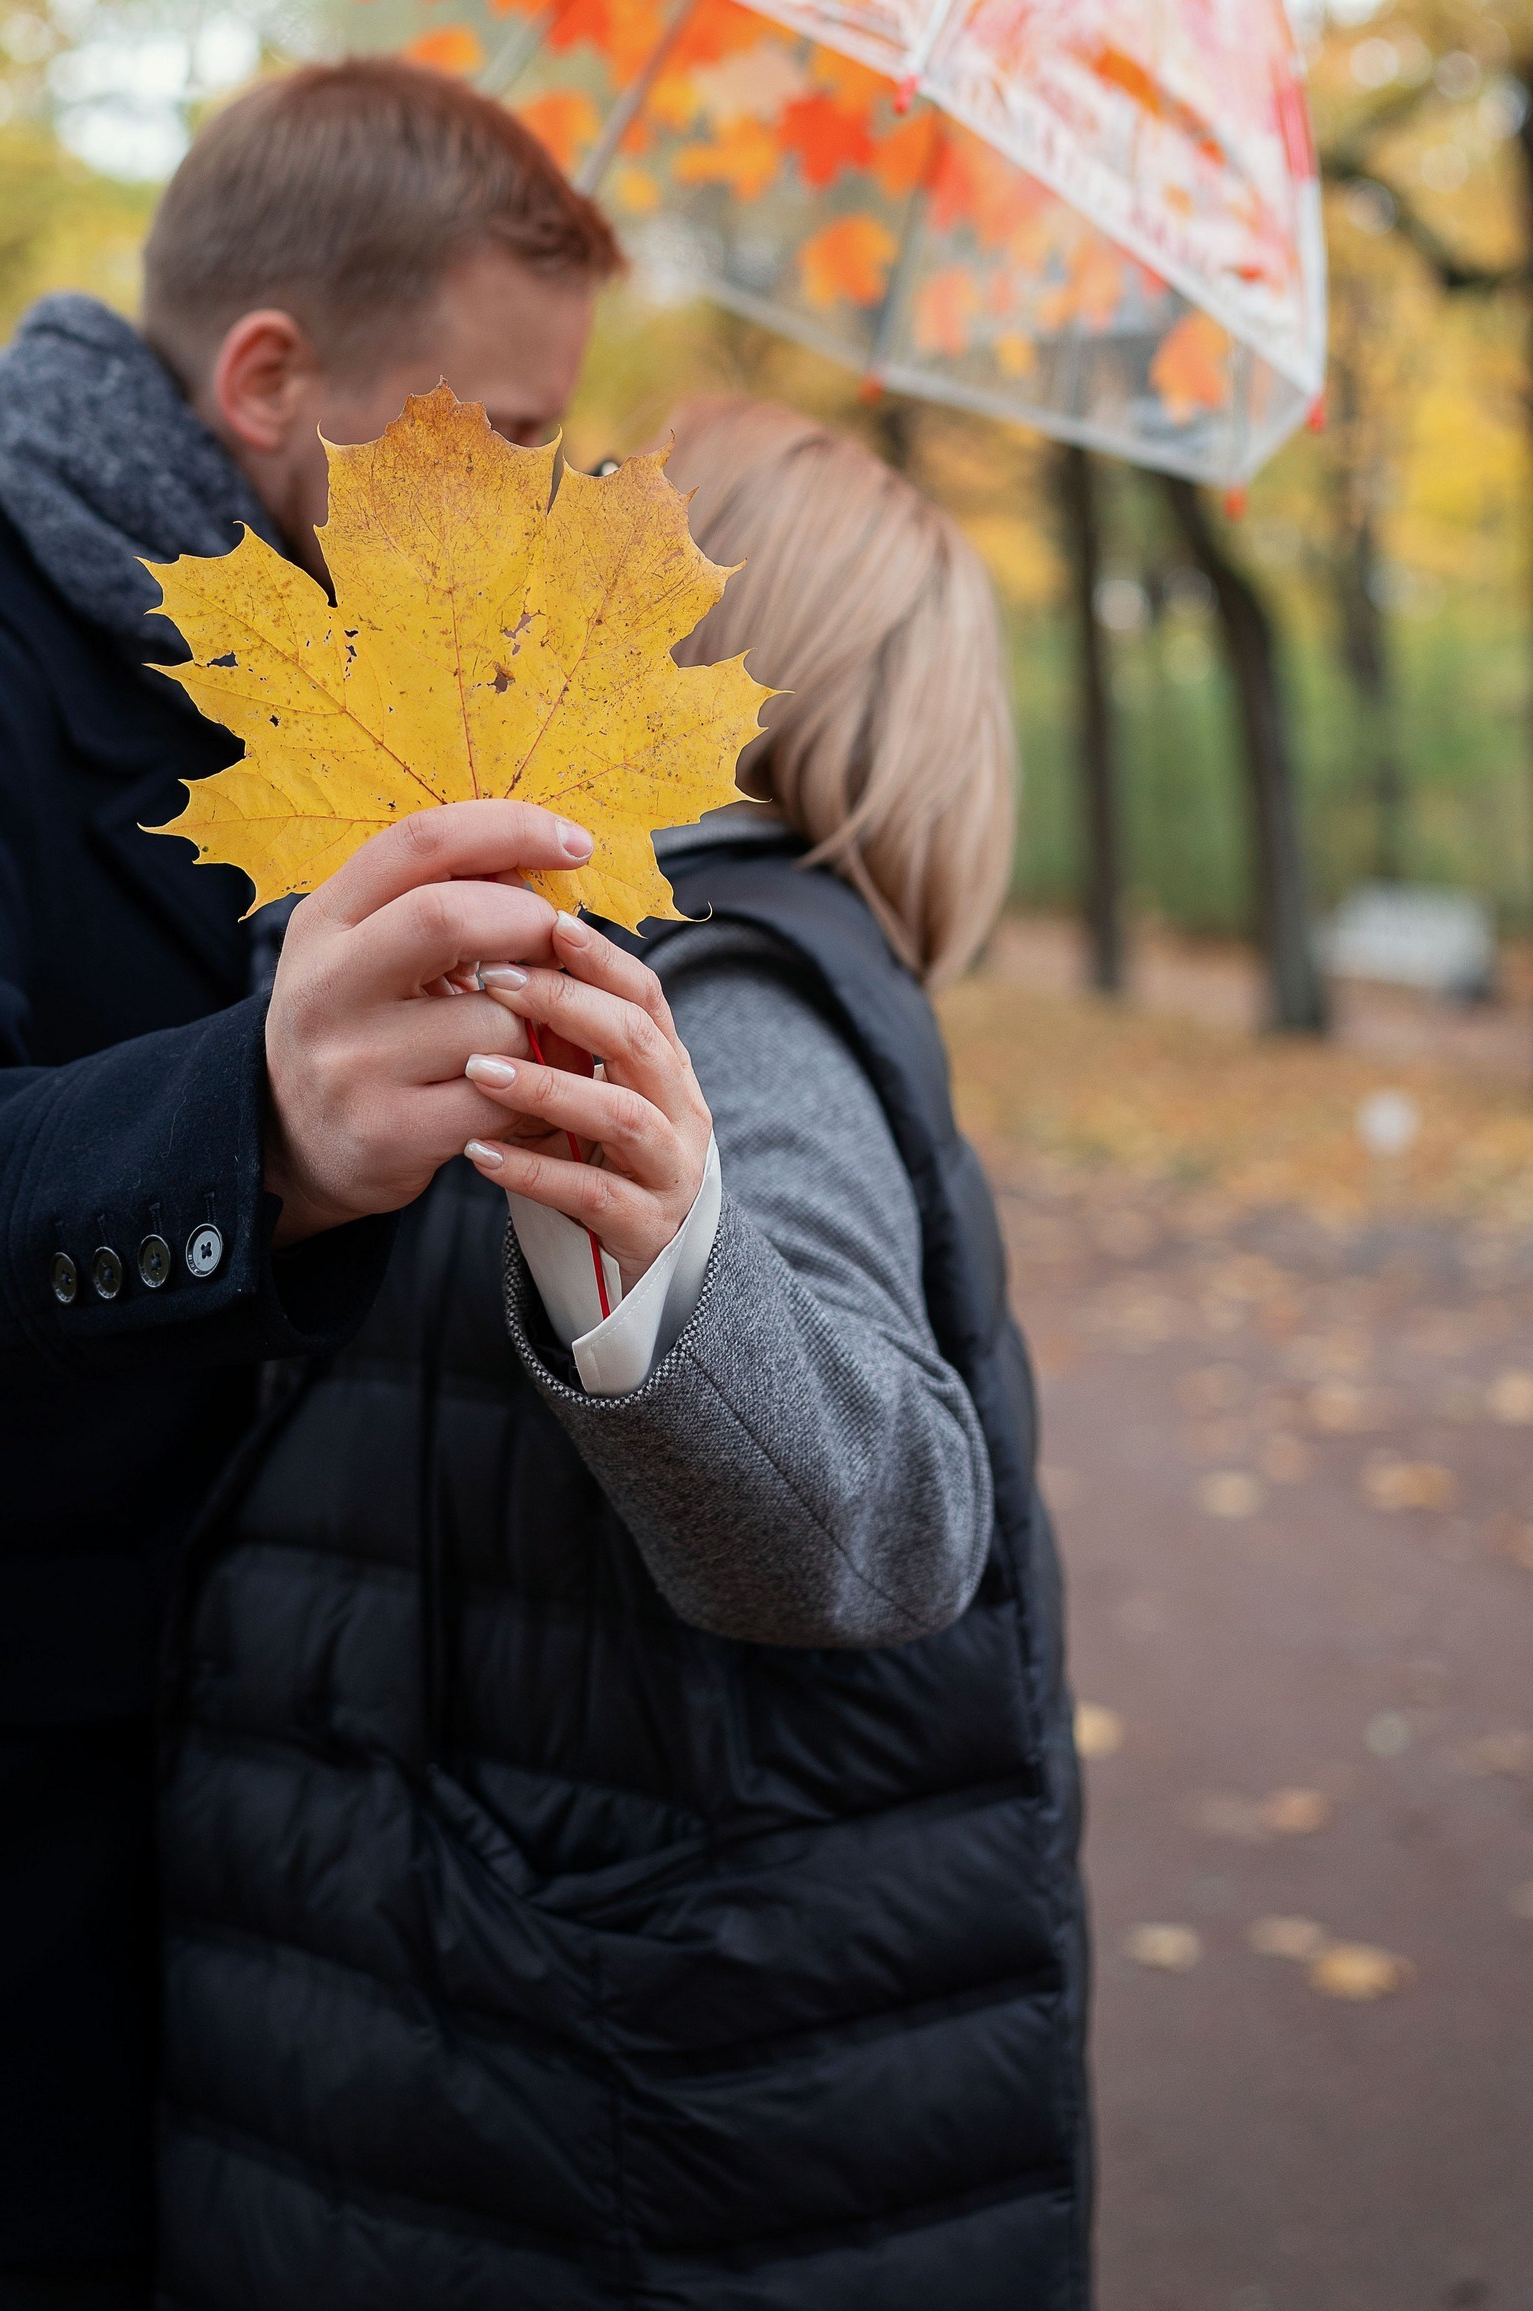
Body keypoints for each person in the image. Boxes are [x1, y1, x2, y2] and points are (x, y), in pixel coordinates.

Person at [0, 61, 624, 2307]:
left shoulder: (379, 728)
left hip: (284, 1999)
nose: (542, 517)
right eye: (505, 441)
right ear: (268, 382)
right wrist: (249, 1132)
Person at [156, 399, 1089, 2308]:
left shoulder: (736, 1012)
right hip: (527, 2057)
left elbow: (886, 1529)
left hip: (621, 2099)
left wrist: (671, 1285)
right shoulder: (518, 958)